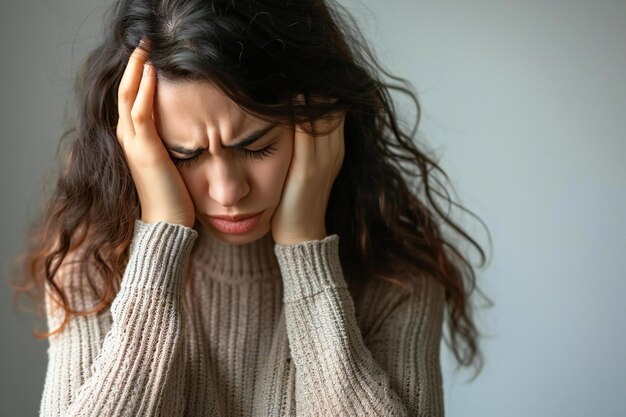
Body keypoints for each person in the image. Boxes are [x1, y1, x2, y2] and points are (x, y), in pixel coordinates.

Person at [8, 0, 490, 415]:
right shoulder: (92, 260)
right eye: (185, 156)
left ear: (319, 122)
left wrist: (305, 246)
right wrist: (159, 245)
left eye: (256, 146)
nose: (227, 190)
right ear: (140, 146)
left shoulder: (395, 274)